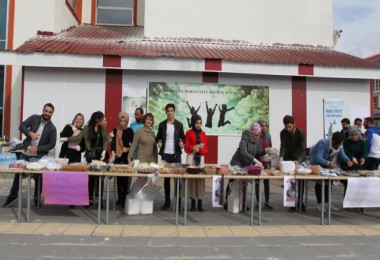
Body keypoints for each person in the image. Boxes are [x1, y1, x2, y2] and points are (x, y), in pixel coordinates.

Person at [2, 103, 57, 208]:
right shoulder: (34, 118)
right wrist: (30, 133)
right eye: (46, 111)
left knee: (38, 178)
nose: (47, 113)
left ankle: (36, 199)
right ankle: (12, 196)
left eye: (50, 112)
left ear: (52, 114)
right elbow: (21, 126)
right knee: (18, 175)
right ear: (43, 110)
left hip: (39, 157)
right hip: (25, 153)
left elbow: (52, 144)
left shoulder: (52, 128)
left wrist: (37, 148)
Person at [63, 111, 108, 207]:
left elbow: (105, 140)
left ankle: (100, 199)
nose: (103, 121)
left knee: (100, 178)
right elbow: (78, 137)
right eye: (101, 119)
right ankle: (89, 199)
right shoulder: (87, 128)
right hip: (91, 155)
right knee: (91, 178)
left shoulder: (102, 128)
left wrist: (104, 150)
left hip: (100, 156)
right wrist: (66, 139)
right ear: (96, 119)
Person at [309, 132, 353, 212]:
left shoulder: (340, 144)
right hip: (316, 162)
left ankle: (327, 202)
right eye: (336, 145)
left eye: (339, 145)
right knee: (320, 182)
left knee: (329, 182)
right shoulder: (323, 143)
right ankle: (320, 204)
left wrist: (348, 161)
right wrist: (328, 163)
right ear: (332, 141)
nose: (337, 147)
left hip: (327, 163)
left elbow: (342, 154)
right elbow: (318, 157)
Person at [227, 123, 266, 210]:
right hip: (237, 163)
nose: (257, 137)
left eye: (259, 135)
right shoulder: (244, 139)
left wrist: (266, 152)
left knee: (244, 183)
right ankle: (227, 201)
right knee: (233, 182)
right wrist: (255, 160)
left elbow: (257, 152)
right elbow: (243, 152)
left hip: (246, 164)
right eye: (256, 135)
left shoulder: (256, 140)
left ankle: (242, 203)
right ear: (252, 132)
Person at [156, 104, 185, 210]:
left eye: (172, 110)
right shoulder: (162, 124)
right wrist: (158, 142)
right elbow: (158, 137)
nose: (170, 112)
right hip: (165, 155)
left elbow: (183, 137)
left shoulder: (179, 125)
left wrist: (182, 143)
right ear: (165, 112)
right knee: (166, 179)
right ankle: (167, 201)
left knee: (178, 179)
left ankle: (178, 202)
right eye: (168, 111)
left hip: (176, 155)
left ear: (174, 112)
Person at [279, 115, 306, 213]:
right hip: (289, 159)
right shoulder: (283, 133)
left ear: (294, 124)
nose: (288, 129)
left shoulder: (301, 133)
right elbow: (282, 147)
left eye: (289, 127)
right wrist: (281, 157)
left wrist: (298, 160)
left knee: (301, 182)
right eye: (286, 127)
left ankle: (301, 202)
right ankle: (292, 204)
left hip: (299, 158)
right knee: (290, 182)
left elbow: (303, 150)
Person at [110, 112, 134, 208]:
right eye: (121, 121)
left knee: (125, 179)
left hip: (126, 157)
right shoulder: (115, 130)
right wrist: (112, 152)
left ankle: (124, 199)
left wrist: (128, 149)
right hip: (117, 157)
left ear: (127, 121)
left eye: (124, 121)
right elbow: (112, 143)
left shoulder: (130, 131)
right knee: (119, 179)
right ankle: (119, 198)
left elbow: (133, 144)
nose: (122, 123)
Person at [184, 114, 208, 211]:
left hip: (200, 159)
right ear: (193, 123)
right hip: (191, 158)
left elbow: (206, 149)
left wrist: (199, 150)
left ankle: (200, 203)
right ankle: (193, 203)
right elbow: (186, 147)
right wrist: (194, 148)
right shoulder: (188, 133)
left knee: (200, 180)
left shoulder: (203, 134)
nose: (198, 125)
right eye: (197, 123)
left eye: (200, 123)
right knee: (192, 180)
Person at [342, 125, 367, 196]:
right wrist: (352, 157)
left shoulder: (362, 142)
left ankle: (359, 204)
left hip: (360, 166)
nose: (354, 137)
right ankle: (347, 203)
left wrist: (363, 158)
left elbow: (365, 152)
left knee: (360, 185)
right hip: (350, 166)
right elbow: (345, 152)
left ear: (358, 134)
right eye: (352, 135)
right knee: (348, 185)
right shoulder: (346, 142)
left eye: (356, 135)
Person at [257, 119, 273, 209]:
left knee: (267, 182)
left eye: (265, 126)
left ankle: (267, 201)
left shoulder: (268, 136)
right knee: (258, 182)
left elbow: (270, 147)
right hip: (258, 162)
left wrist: (272, 153)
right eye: (262, 125)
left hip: (267, 162)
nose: (264, 127)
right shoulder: (256, 135)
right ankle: (258, 202)